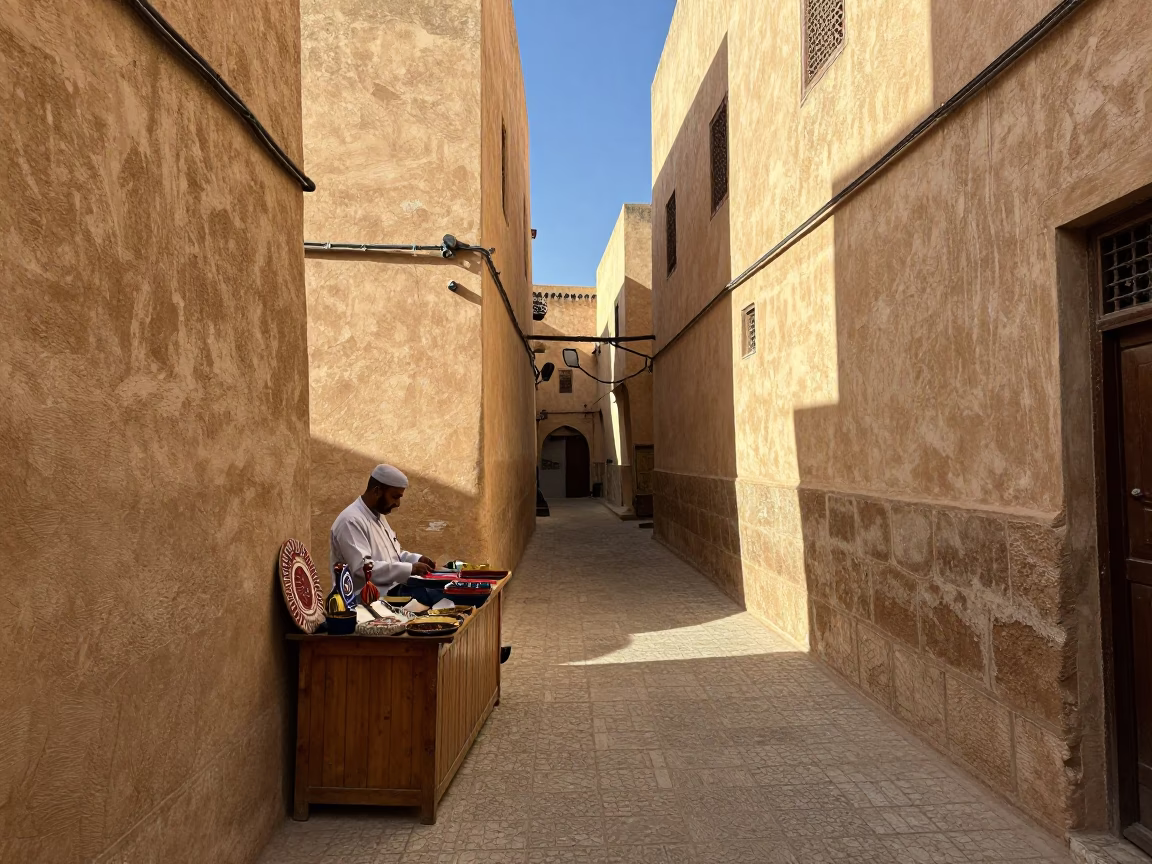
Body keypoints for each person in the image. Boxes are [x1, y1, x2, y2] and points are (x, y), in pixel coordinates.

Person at [330, 464, 438, 602]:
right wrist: (410, 569)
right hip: (362, 601)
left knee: (439, 592)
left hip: (390, 594)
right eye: (394, 496)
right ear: (377, 491)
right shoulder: (351, 520)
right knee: (431, 598)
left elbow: (392, 557)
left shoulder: (378, 516)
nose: (398, 503)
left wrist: (416, 559)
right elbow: (363, 569)